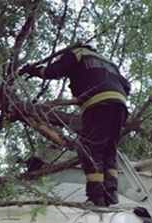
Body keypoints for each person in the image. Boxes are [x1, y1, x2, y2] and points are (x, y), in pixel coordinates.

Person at [21, 44, 131, 206]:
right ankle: (111, 190)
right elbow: (126, 86)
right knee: (109, 150)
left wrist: (35, 71)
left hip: (97, 104)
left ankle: (96, 196)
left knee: (89, 149)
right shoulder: (108, 62)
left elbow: (55, 71)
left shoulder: (77, 53)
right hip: (120, 106)